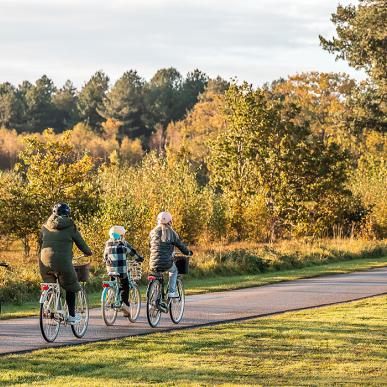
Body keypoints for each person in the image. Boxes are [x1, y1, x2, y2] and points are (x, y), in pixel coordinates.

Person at [38, 203, 92, 325]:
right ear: (67, 214)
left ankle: (49, 305)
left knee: (49, 283)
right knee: (70, 286)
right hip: (63, 262)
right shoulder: (70, 226)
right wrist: (88, 252)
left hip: (44, 262)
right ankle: (72, 316)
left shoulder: (45, 226)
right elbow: (81, 243)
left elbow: (40, 241)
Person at [149, 211, 192, 298]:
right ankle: (172, 292)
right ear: (169, 221)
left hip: (152, 262)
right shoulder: (171, 233)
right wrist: (188, 252)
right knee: (174, 271)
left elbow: (150, 245)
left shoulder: (153, 232)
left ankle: (153, 301)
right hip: (166, 262)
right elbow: (180, 246)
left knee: (157, 274)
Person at [103, 225, 144, 316]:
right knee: (125, 285)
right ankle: (124, 304)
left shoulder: (107, 243)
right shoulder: (123, 243)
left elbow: (105, 256)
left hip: (110, 269)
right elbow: (132, 252)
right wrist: (139, 258)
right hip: (121, 270)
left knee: (113, 281)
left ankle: (110, 297)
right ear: (121, 235)